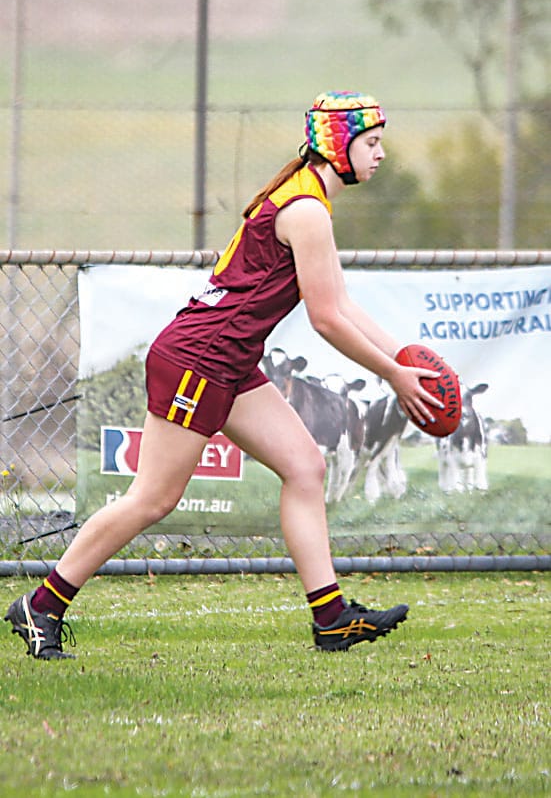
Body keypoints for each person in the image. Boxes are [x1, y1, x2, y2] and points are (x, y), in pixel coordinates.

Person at [5, 90, 443, 659]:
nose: (380, 153)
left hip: (226, 361)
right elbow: (327, 320)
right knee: (152, 499)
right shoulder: (306, 209)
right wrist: (393, 375)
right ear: (339, 144)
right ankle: (42, 605)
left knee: (306, 466)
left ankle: (332, 617)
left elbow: (344, 305)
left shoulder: (309, 201)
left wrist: (405, 357)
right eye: (372, 142)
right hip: (200, 360)